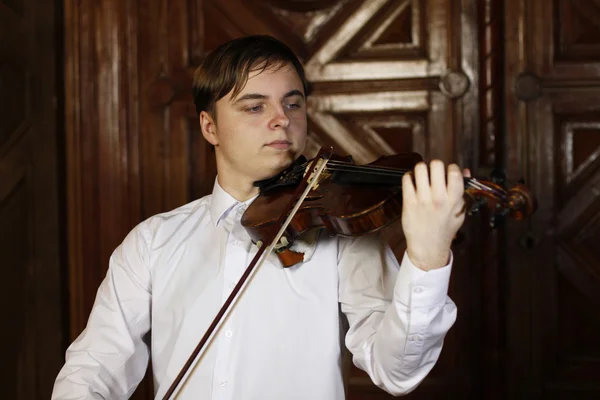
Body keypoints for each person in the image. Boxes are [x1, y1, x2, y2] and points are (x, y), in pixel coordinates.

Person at [52, 35, 468, 400]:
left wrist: (427, 258)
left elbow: (396, 372)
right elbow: (94, 369)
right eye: (254, 107)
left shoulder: (339, 231)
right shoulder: (151, 243)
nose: (282, 119)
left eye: (293, 103)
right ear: (209, 127)